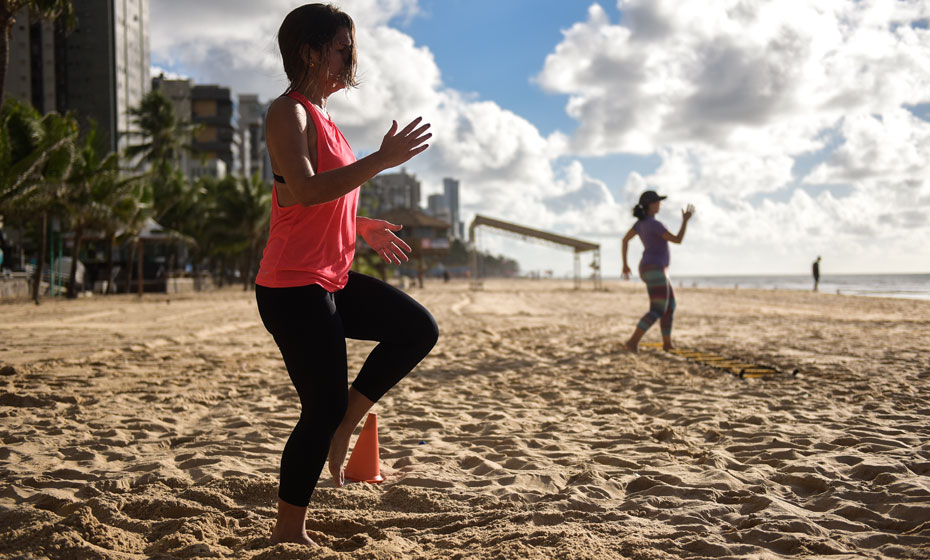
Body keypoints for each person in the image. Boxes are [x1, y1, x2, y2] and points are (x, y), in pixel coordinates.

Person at [255, 4, 438, 546]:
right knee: (321, 404)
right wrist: (381, 161)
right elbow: (306, 189)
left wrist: (360, 225)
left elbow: (297, 199)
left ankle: (345, 424)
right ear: (310, 51)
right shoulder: (287, 113)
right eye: (342, 46)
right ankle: (289, 532)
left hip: (329, 277)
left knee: (417, 329)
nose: (350, 57)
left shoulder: (323, 115)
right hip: (292, 285)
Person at [621, 191, 695, 352]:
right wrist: (685, 221)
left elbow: (625, 240)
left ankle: (667, 344)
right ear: (650, 205)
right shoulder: (654, 224)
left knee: (670, 306)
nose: (660, 204)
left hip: (651, 268)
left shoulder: (639, 224)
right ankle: (632, 342)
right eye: (657, 202)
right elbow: (678, 240)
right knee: (657, 309)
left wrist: (625, 265)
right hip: (655, 268)